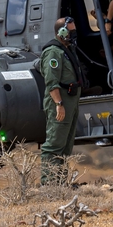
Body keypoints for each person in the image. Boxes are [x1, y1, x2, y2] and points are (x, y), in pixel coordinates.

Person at [40, 17, 85, 186]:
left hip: (70, 103)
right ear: (62, 32)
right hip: (60, 103)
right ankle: (49, 185)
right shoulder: (53, 52)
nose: (73, 35)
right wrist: (59, 105)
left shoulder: (67, 50)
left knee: (65, 146)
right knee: (54, 145)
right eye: (70, 32)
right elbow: (52, 82)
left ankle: (60, 183)